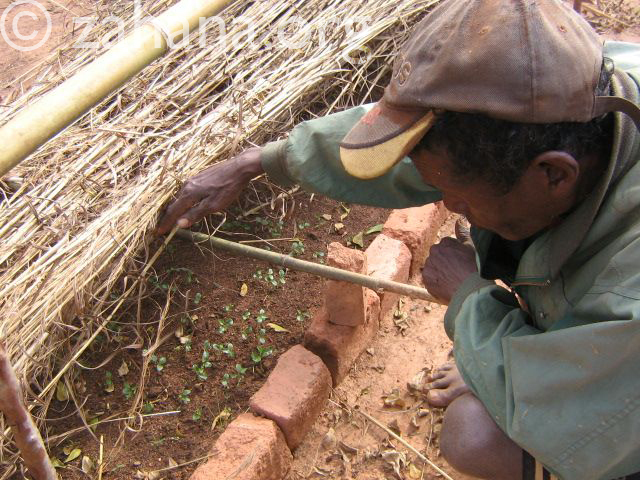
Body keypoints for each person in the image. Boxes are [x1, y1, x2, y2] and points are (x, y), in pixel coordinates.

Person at [157, 1, 640, 479]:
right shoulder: (578, 91)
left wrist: (469, 304)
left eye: (459, 197)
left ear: (553, 175)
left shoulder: (630, 290)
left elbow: (586, 421)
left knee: (472, 435)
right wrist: (264, 161)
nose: (449, 205)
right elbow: (408, 141)